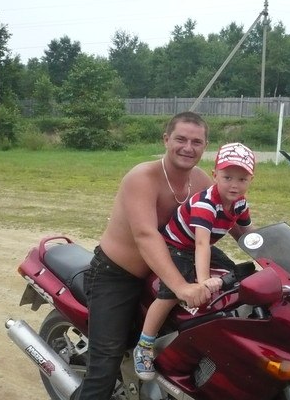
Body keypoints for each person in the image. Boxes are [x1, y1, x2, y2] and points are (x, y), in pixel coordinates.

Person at [77, 111, 234, 400]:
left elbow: (233, 218)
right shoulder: (142, 178)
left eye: (196, 142)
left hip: (172, 264)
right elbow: (146, 236)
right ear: (166, 140)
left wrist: (274, 255)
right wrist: (181, 287)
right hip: (118, 275)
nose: (188, 148)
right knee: (105, 363)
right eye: (181, 139)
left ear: (205, 146)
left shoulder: (201, 181)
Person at [133, 142, 256, 380]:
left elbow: (250, 234)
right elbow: (201, 244)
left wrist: (273, 258)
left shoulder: (240, 203)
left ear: (251, 179)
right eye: (227, 177)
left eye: (242, 179)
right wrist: (203, 281)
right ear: (215, 175)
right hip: (177, 246)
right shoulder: (206, 204)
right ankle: (145, 345)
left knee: (235, 276)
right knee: (171, 293)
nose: (234, 184)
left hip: (200, 246)